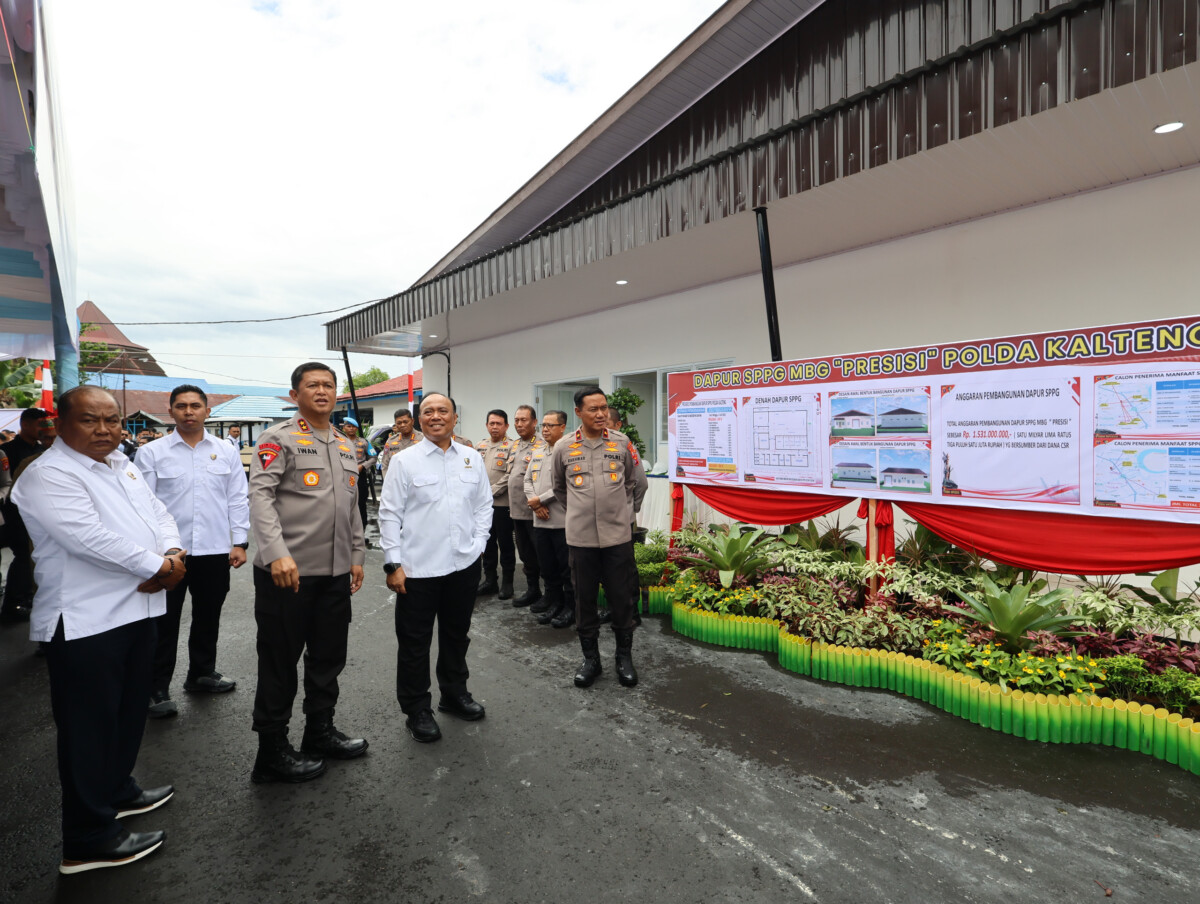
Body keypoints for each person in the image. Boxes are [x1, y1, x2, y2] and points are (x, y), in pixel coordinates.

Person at [14, 386, 183, 874]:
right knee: (88, 729)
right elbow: (87, 538)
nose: (105, 430)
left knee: (127, 714)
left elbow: (158, 512)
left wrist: (173, 553)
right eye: (90, 420)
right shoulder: (50, 474)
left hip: (137, 609)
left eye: (113, 420)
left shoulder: (119, 464)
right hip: (86, 621)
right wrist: (162, 567)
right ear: (60, 423)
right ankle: (87, 838)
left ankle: (116, 791)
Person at [248, 362, 368, 783]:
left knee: (328, 658)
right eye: (312, 385)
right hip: (288, 574)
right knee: (279, 662)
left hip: (334, 575)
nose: (322, 391)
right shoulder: (278, 438)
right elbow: (260, 496)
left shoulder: (345, 443)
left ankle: (320, 731)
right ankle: (271, 750)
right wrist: (275, 553)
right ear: (294, 394)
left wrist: (357, 554)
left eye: (328, 385)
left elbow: (351, 506)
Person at [379, 392, 492, 743]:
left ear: (455, 418)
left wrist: (479, 544)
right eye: (428, 411)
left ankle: (454, 694)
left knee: (457, 635)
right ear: (420, 419)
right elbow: (389, 514)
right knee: (415, 643)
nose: (436, 416)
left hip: (463, 565)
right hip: (418, 569)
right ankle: (417, 709)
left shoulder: (472, 458)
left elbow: (483, 505)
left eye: (443, 410)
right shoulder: (404, 461)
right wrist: (393, 563)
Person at [135, 385, 250, 718]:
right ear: (171, 411)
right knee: (163, 620)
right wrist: (149, 555)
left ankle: (201, 673)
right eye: (182, 406)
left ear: (207, 412)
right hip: (169, 555)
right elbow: (142, 507)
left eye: (195, 406)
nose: (189, 411)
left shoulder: (225, 450)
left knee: (208, 615)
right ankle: (156, 688)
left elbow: (237, 497)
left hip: (215, 549)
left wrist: (240, 541)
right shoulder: (151, 453)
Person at [551, 387, 642, 689]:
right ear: (578, 412)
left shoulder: (622, 442)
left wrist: (620, 513)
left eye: (604, 407)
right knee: (584, 600)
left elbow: (633, 483)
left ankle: (623, 658)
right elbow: (560, 489)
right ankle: (591, 660)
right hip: (581, 539)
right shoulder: (563, 447)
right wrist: (581, 512)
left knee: (622, 599)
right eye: (593, 409)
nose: (601, 414)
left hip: (617, 537)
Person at [524, 410, 575, 627]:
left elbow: (565, 484)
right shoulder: (538, 452)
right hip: (540, 520)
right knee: (548, 567)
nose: (545, 429)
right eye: (543, 425)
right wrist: (535, 504)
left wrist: (540, 500)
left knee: (566, 569)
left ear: (562, 427)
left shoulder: (569, 452)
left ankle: (571, 607)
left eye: (550, 425)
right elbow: (527, 480)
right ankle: (554, 602)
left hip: (561, 521)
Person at [1, 407, 51, 622]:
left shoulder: (43, 450)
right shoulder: (8, 451)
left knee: (37, 559)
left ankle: (29, 598)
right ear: (25, 424)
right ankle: (14, 603)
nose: (44, 430)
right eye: (40, 425)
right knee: (23, 557)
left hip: (42, 517)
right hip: (16, 516)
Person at [475, 410, 516, 599]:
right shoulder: (480, 446)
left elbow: (510, 475)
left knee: (506, 544)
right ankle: (490, 581)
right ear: (486, 425)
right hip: (482, 507)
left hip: (502, 504)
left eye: (499, 423)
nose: (495, 427)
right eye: (491, 423)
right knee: (487, 543)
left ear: (506, 426)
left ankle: (507, 583)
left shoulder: (513, 446)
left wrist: (488, 492)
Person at [507, 405, 543, 607]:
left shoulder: (542, 445)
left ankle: (551, 594)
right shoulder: (515, 445)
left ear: (534, 422)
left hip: (535, 512)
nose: (519, 424)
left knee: (542, 555)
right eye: (516, 420)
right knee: (525, 554)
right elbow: (510, 475)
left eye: (524, 420)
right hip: (516, 511)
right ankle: (533, 590)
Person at [340, 417, 376, 538]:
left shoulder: (364, 442)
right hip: (343, 476)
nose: (351, 429)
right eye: (348, 426)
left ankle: (362, 531)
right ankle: (345, 532)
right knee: (343, 503)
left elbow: (373, 457)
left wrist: (362, 466)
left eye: (354, 427)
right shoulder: (339, 441)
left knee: (361, 503)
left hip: (360, 476)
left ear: (357, 428)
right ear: (344, 428)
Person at [379, 407, 422, 477]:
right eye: (399, 423)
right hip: (396, 480)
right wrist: (388, 481)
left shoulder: (423, 439)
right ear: (396, 424)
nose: (402, 425)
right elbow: (385, 464)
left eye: (405, 422)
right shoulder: (391, 441)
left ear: (412, 421)